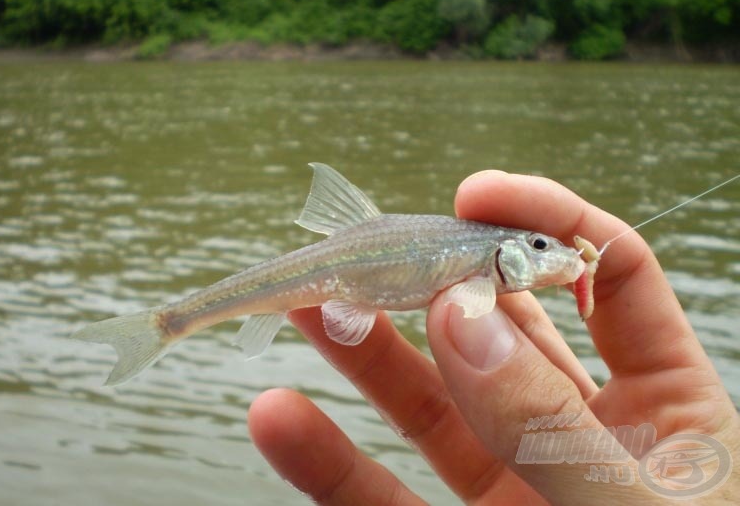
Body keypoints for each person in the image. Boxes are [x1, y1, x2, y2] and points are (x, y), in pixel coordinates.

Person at [247, 171, 740, 504]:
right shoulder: (482, 276)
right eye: (541, 247)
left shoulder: (492, 268)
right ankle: (176, 320)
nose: (556, 254)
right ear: (508, 253)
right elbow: (472, 306)